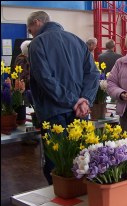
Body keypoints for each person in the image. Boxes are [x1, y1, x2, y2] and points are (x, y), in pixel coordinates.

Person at [27, 11, 99, 185]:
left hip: (53, 114)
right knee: (81, 160)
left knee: (56, 164)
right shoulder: (78, 41)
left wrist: (75, 101)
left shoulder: (37, 43)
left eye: (30, 30)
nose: (31, 34)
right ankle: (80, 200)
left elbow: (45, 80)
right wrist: (84, 100)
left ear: (37, 22)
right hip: (80, 112)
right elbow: (93, 74)